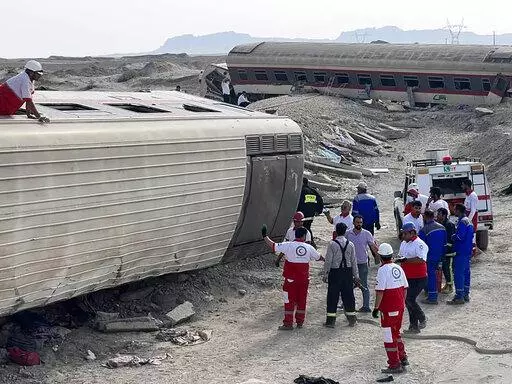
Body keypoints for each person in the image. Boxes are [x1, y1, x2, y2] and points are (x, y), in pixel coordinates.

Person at [262, 226, 324, 329]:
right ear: (304, 236)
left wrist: (264, 236)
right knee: (302, 301)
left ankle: (288, 323)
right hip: (304, 280)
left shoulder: (288, 245)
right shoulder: (309, 248)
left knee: (289, 301)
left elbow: (273, 245)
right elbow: (319, 257)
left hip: (290, 280)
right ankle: (300, 322)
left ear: (295, 235)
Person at [372, 243, 409, 374]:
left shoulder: (382, 270)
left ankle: (394, 364)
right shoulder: (398, 268)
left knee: (389, 337)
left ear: (381, 256)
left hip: (388, 309)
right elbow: (405, 289)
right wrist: (401, 304)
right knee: (396, 333)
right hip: (399, 307)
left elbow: (380, 292)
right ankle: (403, 357)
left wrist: (376, 308)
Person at [323, 223, 359, 328]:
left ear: (336, 232)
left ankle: (330, 322)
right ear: (345, 231)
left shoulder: (332, 244)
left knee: (332, 296)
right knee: (348, 296)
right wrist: (356, 276)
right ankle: (352, 320)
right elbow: (354, 261)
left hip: (335, 273)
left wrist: (325, 273)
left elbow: (328, 261)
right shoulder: (350, 244)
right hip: (347, 273)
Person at [397, 222, 428, 333]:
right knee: (408, 301)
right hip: (407, 277)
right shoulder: (404, 243)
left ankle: (422, 317)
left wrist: (406, 260)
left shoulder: (420, 244)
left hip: (419, 278)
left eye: (405, 234)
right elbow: (401, 256)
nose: (403, 236)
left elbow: (421, 259)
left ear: (412, 233)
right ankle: (413, 326)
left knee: (409, 299)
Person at [346, 215, 379, 312]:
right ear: (353, 223)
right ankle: (348, 305)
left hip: (362, 263)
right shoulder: (348, 234)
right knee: (349, 285)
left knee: (363, 285)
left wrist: (378, 256)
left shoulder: (367, 234)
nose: (359, 224)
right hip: (350, 264)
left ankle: (366, 306)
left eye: (360, 222)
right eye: (357, 222)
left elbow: (373, 246)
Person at [447, 204, 473, 305]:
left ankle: (459, 297)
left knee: (458, 274)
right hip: (467, 251)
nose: (454, 211)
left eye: (455, 210)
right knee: (466, 273)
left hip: (461, 251)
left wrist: (453, 236)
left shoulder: (462, 222)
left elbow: (460, 237)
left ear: (458, 211)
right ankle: (465, 294)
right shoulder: (468, 221)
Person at [419, 210, 447, 304]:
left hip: (429, 257)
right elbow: (445, 243)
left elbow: (421, 246)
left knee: (431, 276)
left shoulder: (424, 230)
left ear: (425, 217)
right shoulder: (442, 227)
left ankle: (432, 297)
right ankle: (433, 294)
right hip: (440, 256)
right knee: (436, 275)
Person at [297, 178, 324, 248]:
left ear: (302, 183)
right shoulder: (313, 191)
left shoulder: (301, 191)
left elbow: (298, 202)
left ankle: (310, 243)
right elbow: (320, 201)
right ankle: (308, 243)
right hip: (311, 215)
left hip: (302, 215)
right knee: (307, 227)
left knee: (303, 228)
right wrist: (318, 211)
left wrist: (296, 212)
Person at [437, 208, 456, 293]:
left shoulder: (449, 225)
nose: (437, 216)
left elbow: (450, 239)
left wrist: (446, 247)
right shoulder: (442, 224)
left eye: (439, 214)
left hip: (449, 251)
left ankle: (450, 286)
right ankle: (447, 284)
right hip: (444, 250)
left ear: (444, 215)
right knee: (445, 268)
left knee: (448, 268)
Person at [462, 179, 478, 243]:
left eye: (463, 185)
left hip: (471, 219)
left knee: (472, 236)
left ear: (466, 185)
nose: (461, 186)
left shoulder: (473, 195)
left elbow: (473, 211)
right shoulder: (468, 195)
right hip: (468, 217)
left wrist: (467, 221)